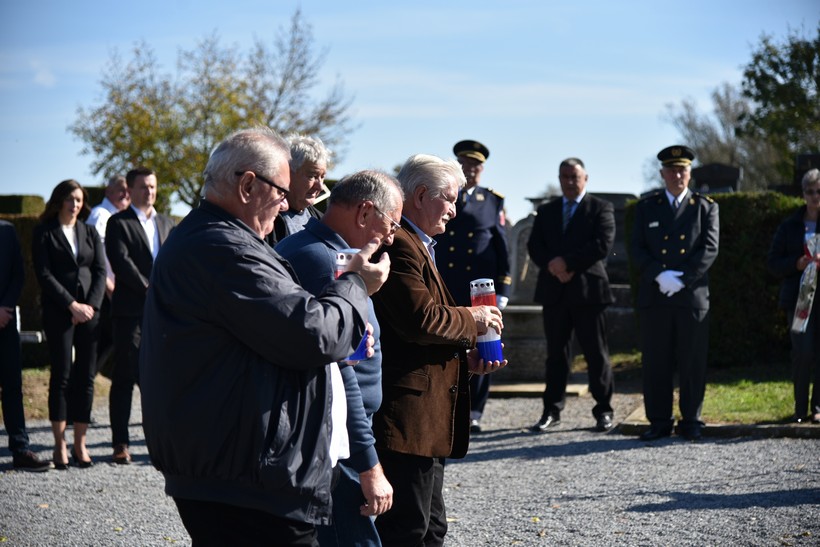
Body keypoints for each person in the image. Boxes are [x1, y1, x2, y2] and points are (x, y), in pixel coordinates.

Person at [139, 127, 390, 546]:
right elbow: (313, 334)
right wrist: (355, 285)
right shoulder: (226, 250)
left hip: (238, 470)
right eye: (281, 191)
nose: (287, 204)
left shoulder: (215, 240)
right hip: (245, 480)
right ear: (248, 185)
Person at [371, 153, 508, 546]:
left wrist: (465, 357)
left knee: (431, 528)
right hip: (407, 415)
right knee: (407, 529)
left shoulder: (419, 243)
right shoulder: (400, 244)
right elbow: (421, 320)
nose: (454, 210)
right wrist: (474, 319)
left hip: (427, 416)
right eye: (448, 199)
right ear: (419, 196)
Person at [276, 170, 403, 546]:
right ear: (364, 213)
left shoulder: (321, 250)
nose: (392, 237)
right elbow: (338, 371)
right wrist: (368, 465)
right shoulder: (323, 260)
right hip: (334, 440)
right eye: (392, 224)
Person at [631, 145, 719, 441]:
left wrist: (682, 279)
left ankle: (691, 419)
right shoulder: (646, 207)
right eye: (671, 170)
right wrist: (659, 274)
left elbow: (709, 248)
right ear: (662, 173)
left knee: (692, 361)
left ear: (689, 173)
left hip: (690, 295)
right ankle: (659, 421)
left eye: (682, 170)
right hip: (656, 295)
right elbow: (637, 248)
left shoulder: (705, 207)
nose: (677, 175)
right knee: (656, 361)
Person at [527, 158, 616, 433]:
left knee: (595, 354)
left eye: (574, 177)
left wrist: (567, 263)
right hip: (555, 292)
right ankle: (551, 411)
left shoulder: (600, 208)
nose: (569, 182)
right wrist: (553, 266)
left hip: (589, 292)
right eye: (564, 177)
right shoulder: (547, 210)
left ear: (585, 178)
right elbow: (535, 245)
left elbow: (602, 244)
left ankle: (603, 410)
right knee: (556, 355)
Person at [433, 140, 511, 433]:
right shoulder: (442, 197)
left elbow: (502, 247)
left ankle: (475, 410)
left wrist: (503, 288)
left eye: (476, 165)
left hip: (478, 289)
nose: (471, 169)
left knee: (484, 344)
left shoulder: (492, 200)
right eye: (465, 164)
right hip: (447, 284)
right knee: (447, 343)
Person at [31, 179, 106, 468]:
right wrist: (71, 305)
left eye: (78, 199)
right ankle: (59, 444)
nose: (74, 204)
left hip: (89, 312)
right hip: (59, 312)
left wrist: (90, 307)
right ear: (59, 201)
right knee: (61, 375)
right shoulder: (44, 232)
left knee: (85, 377)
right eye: (69, 199)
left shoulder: (89, 231)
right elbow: (44, 274)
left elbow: (99, 271)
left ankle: (80, 443)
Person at [105, 167, 174, 464]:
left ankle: (162, 440)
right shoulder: (118, 222)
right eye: (144, 186)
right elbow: (120, 261)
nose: (150, 191)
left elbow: (174, 261)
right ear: (130, 190)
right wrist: (148, 288)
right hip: (130, 312)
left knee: (160, 376)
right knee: (125, 375)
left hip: (163, 312)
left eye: (153, 186)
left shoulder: (167, 223)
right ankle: (120, 442)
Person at [767, 168, 820, 424]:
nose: (815, 196)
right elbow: (773, 263)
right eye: (810, 191)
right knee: (803, 352)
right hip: (799, 301)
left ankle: (817, 407)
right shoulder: (789, 226)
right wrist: (796, 264)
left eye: (819, 191)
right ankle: (800, 408)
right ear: (803, 194)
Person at [1, 221, 51, 472]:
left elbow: (18, 274)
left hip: (5, 322)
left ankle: (20, 450)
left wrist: (5, 307)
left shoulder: (7, 231)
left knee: (13, 387)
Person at [86, 174, 130, 373]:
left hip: (114, 291)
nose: (126, 194)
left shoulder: (120, 217)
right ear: (108, 191)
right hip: (103, 293)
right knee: (99, 344)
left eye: (128, 190)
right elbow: (94, 256)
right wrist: (109, 287)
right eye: (121, 189)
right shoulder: (100, 216)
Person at [264, 134, 331, 247]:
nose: (319, 186)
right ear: (287, 173)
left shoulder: (321, 221)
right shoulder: (266, 218)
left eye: (322, 177)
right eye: (312, 176)